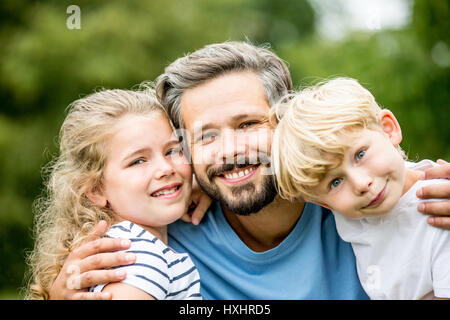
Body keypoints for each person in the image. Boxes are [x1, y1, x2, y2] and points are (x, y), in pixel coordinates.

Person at [48, 41, 450, 300]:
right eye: (206, 137)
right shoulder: (169, 236)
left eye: (248, 125)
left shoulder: (357, 200)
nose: (232, 151)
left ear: (287, 122)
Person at [271, 77, 450, 299]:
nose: (361, 184)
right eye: (335, 182)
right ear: (324, 203)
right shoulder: (352, 213)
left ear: (388, 128)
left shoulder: (440, 211)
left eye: (360, 154)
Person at [26, 88, 202, 300]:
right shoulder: (137, 258)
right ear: (96, 190)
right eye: (138, 161)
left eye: (172, 151)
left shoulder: (122, 246)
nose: (165, 168)